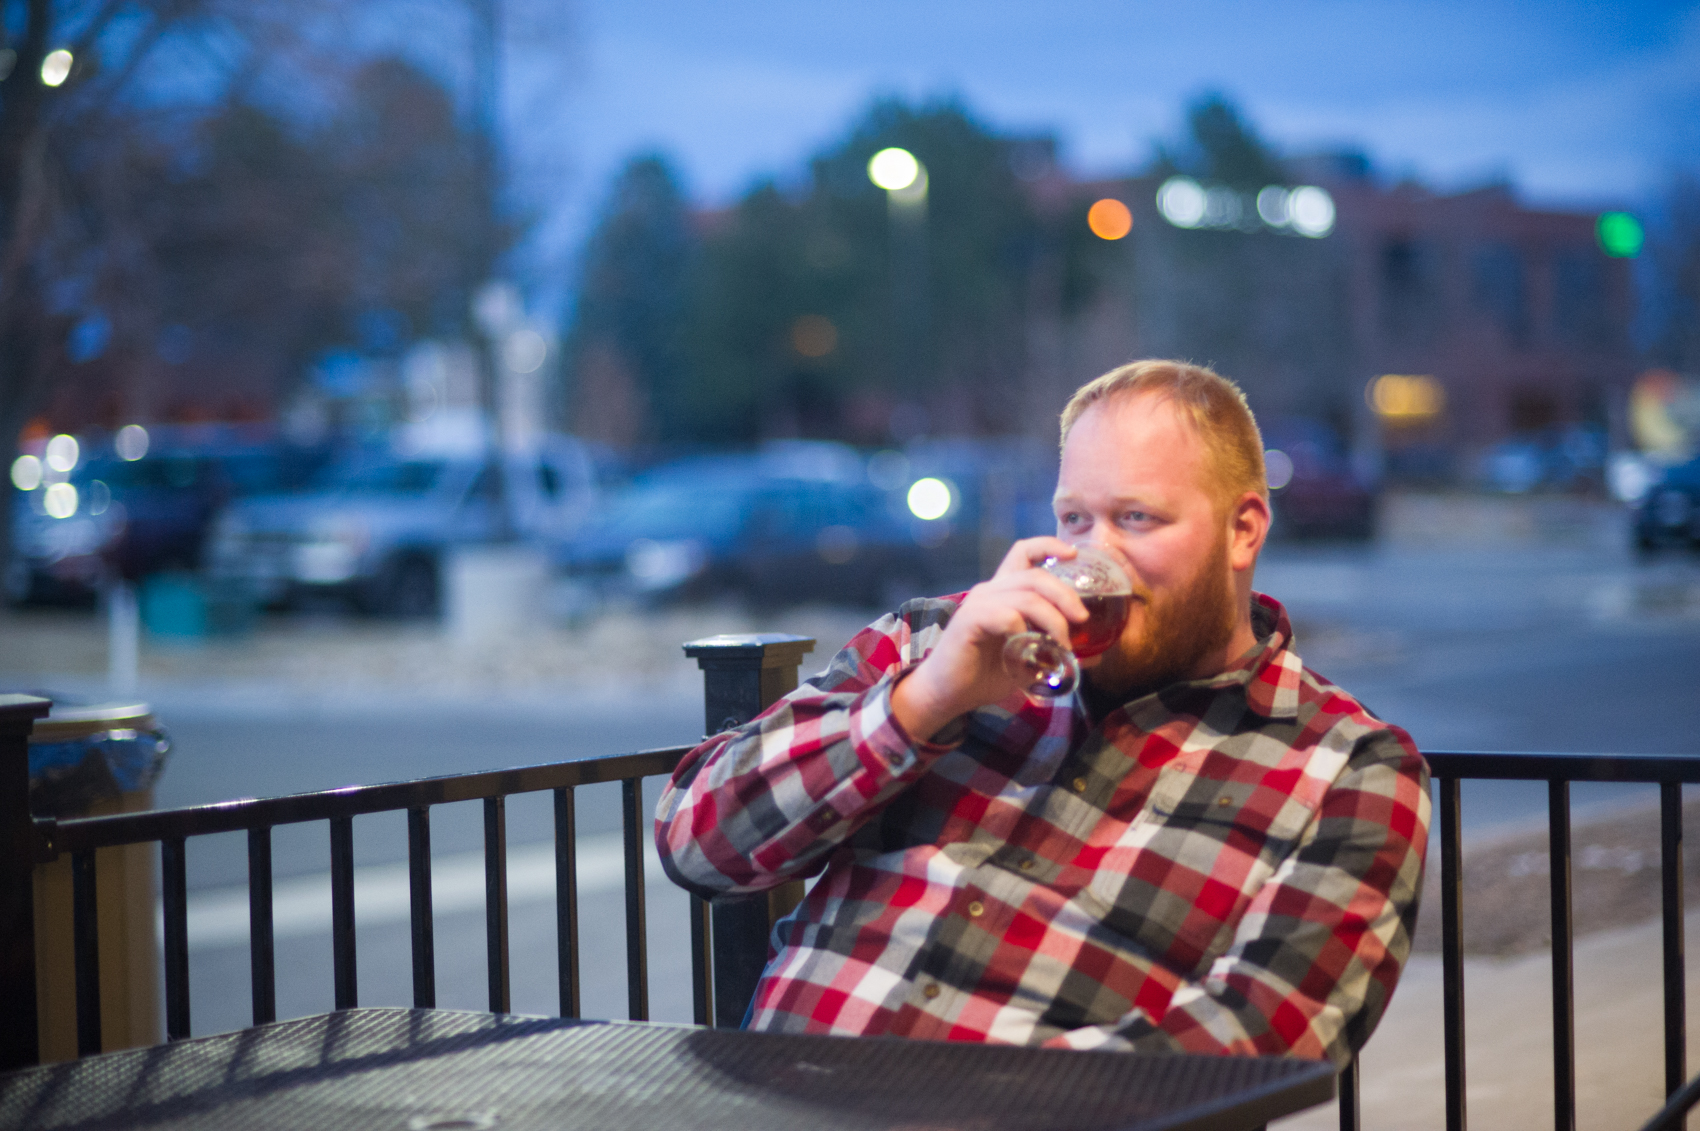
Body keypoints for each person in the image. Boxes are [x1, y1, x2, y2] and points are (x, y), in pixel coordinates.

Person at [656, 360, 1429, 1066]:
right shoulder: (939, 640)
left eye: (1135, 519)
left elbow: (1264, 1038)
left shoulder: (1348, 769)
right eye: (1073, 520)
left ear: (1243, 529)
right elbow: (697, 844)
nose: (1095, 557)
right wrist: (923, 703)